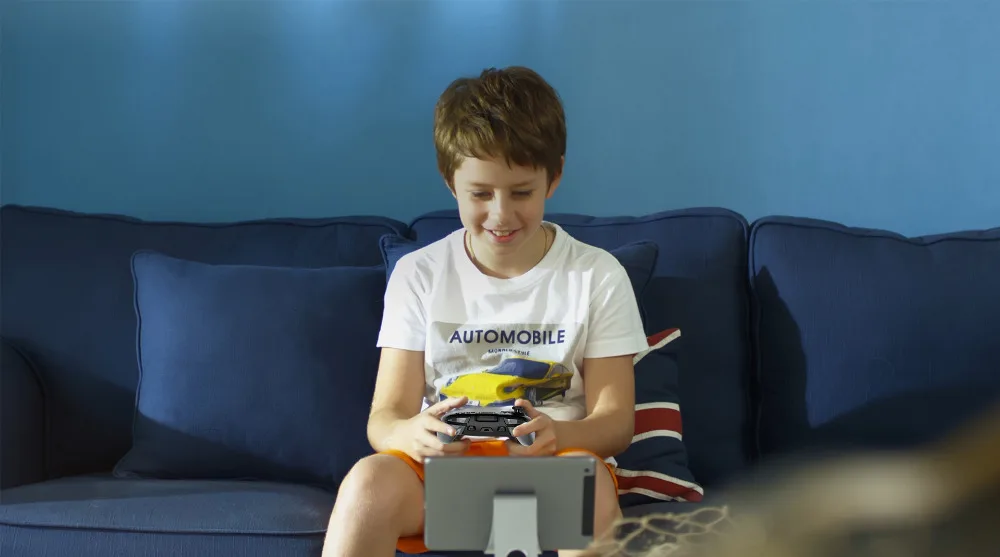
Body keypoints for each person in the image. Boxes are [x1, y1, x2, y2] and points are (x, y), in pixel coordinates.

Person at [321, 66, 649, 557]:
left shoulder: (596, 274)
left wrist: (559, 433)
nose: (501, 214)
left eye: (521, 192)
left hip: (549, 469)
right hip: (440, 478)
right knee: (366, 484)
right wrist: (411, 433)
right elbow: (383, 418)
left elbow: (616, 422)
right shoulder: (419, 274)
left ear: (554, 176)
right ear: (450, 182)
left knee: (588, 490)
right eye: (480, 194)